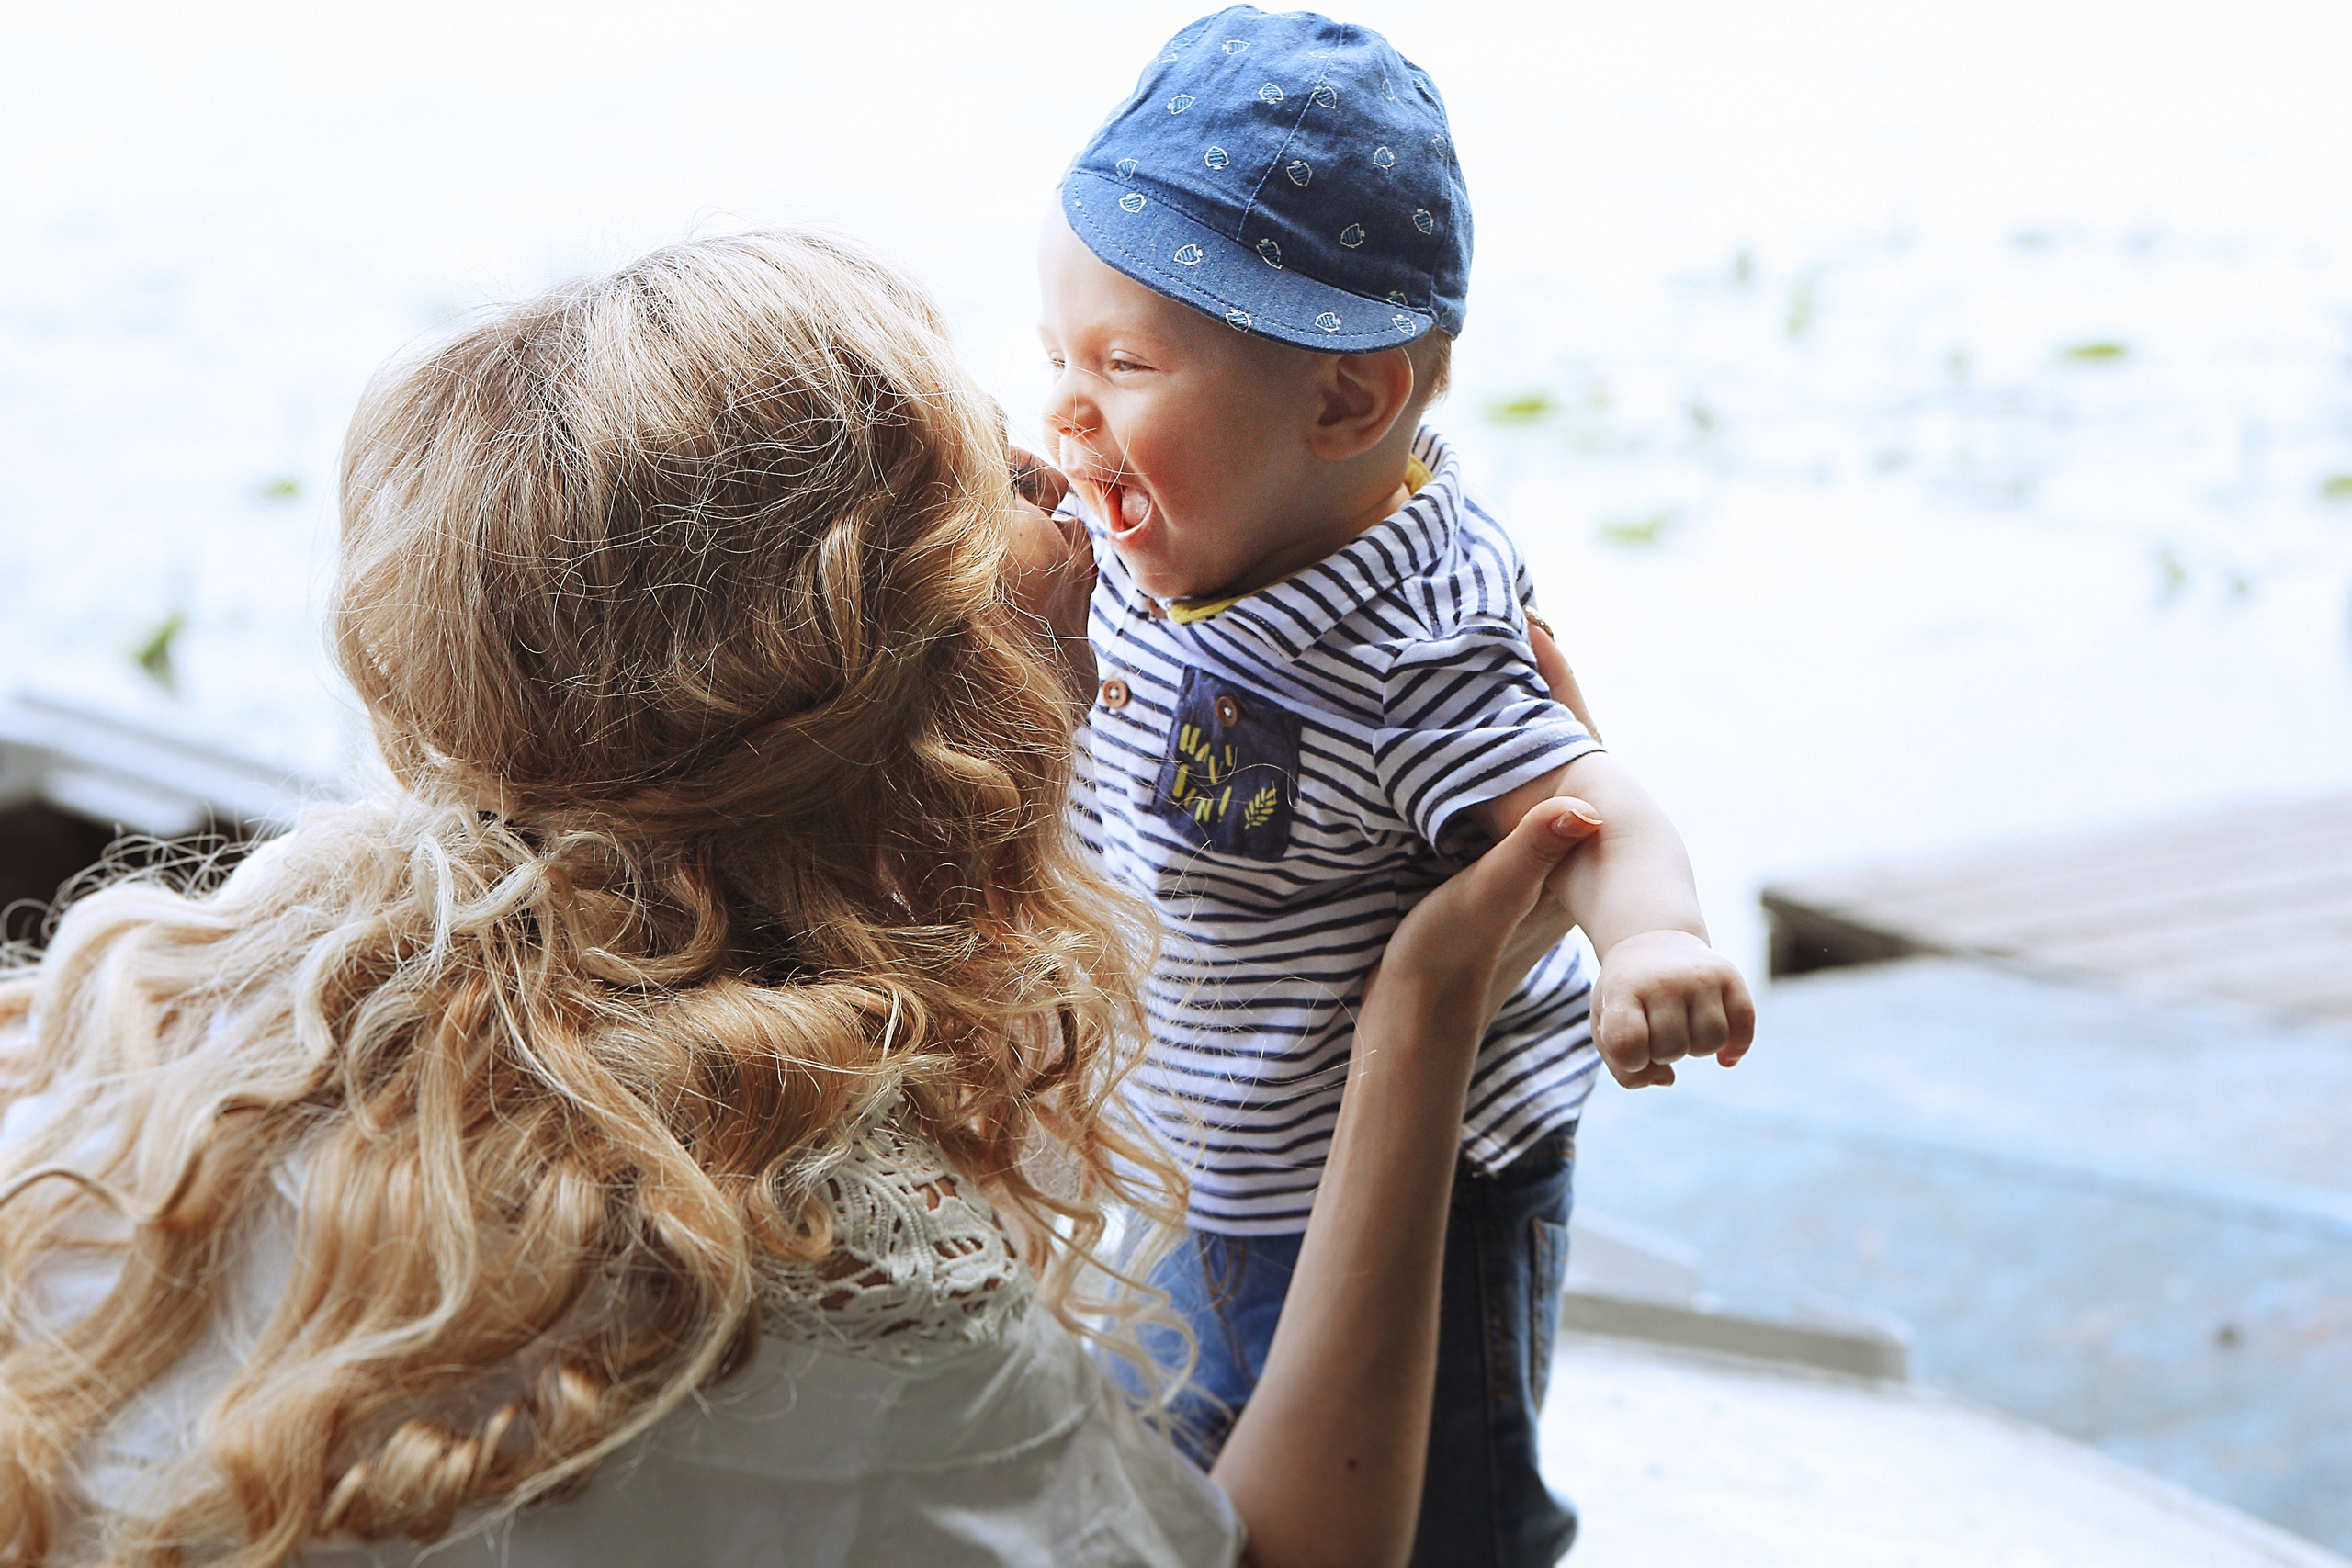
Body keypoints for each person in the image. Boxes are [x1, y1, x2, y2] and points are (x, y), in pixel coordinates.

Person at [0, 229, 1605, 1568]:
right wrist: (1424, 1005)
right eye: (993, 475)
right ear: (915, 720)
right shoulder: (856, 1284)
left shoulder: (199, 979)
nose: (1066, 471)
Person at [1038, 10, 1758, 1563]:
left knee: (1448, 1500)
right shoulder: (1171, 544)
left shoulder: (1409, 638)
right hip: (1213, 1134)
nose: (1066, 414)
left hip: (1414, 1189)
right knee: (1193, 1417)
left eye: (1122, 366)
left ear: (1349, 405)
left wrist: (1653, 943)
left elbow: (1590, 810)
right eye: (1056, 361)